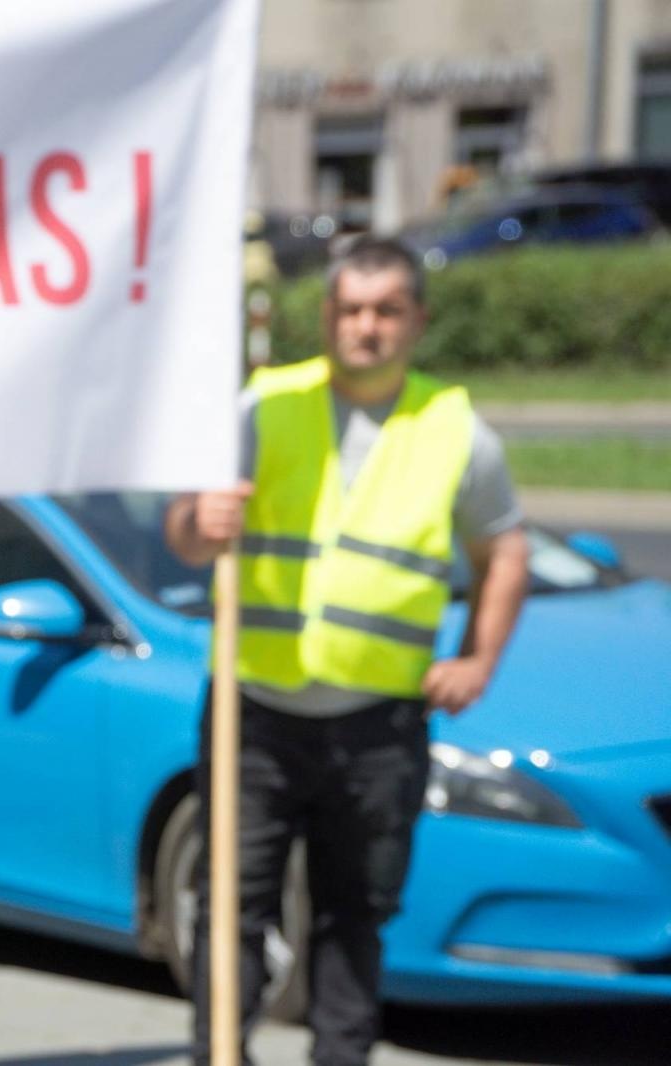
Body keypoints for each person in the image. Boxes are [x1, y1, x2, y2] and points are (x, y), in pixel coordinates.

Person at [164, 236, 529, 1066]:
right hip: (256, 714)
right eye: (352, 309)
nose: (367, 327)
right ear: (328, 315)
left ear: (417, 321)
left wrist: (478, 659)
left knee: (355, 918)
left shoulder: (457, 430)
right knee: (231, 909)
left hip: (378, 726)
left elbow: (504, 550)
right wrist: (198, 523)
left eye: (386, 311)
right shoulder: (264, 403)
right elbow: (185, 532)